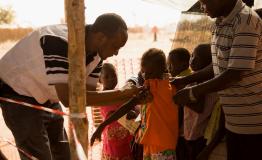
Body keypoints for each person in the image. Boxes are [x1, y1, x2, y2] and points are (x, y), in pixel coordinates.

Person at [0, 13, 141, 160]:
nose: (116, 53)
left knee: (63, 153)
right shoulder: (58, 41)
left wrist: (131, 97)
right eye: (115, 46)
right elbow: (70, 99)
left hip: (46, 95)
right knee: (39, 155)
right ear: (100, 37)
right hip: (17, 93)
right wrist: (126, 94)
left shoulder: (97, 56)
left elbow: (87, 97)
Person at [172, 0, 262, 160]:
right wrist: (183, 80)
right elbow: (218, 65)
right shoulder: (220, 22)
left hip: (253, 122)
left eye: (204, 1)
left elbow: (234, 73)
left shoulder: (246, 21)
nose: (201, 5)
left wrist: (193, 92)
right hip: (234, 121)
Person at [91, 48, 179, 160]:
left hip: (159, 144)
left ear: (162, 69)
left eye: (149, 72)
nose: (145, 76)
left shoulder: (152, 88)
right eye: (143, 72)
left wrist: (102, 126)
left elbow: (126, 106)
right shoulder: (168, 85)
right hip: (156, 141)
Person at [183, 44, 219, 160]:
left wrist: (181, 98)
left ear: (209, 64)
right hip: (191, 131)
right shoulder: (195, 78)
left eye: (197, 58)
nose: (192, 60)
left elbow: (199, 107)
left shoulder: (202, 82)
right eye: (192, 55)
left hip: (198, 134)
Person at [98, 63, 134, 160]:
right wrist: (128, 113)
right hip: (113, 139)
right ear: (100, 79)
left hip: (123, 136)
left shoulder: (118, 92)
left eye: (114, 75)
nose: (111, 79)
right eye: (107, 77)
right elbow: (112, 114)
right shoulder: (101, 96)